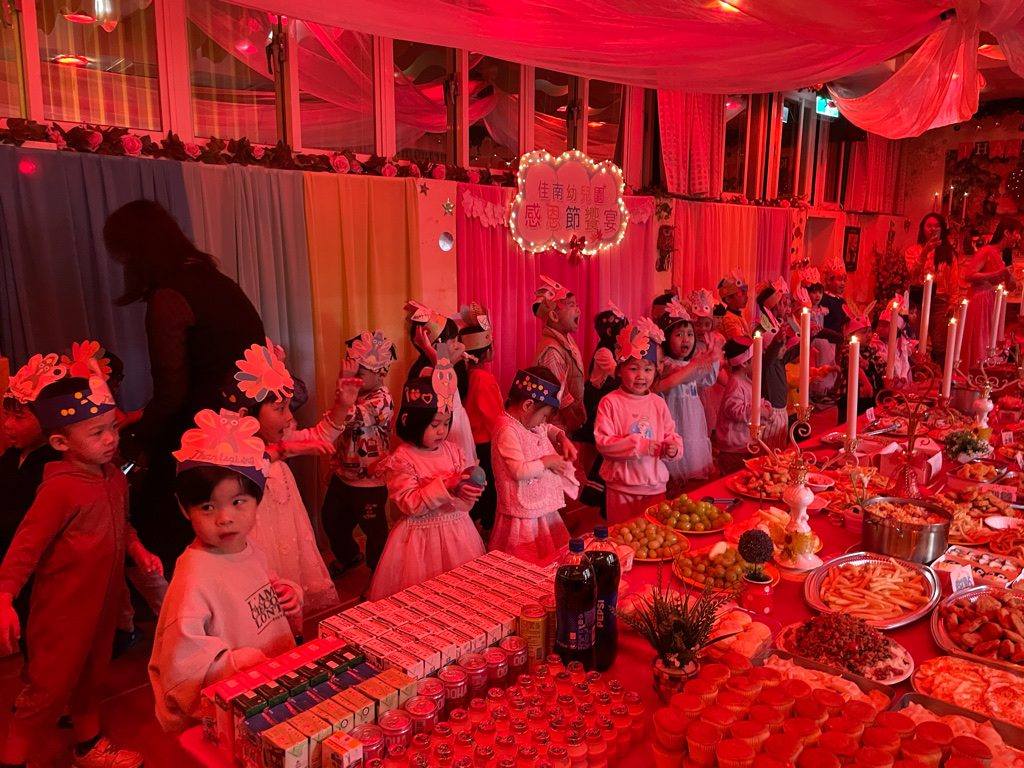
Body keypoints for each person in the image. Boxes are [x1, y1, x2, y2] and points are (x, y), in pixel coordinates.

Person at [0, 358, 161, 768]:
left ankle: (88, 747)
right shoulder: (59, 491)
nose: (111, 439)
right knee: (47, 691)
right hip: (62, 614)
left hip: (101, 609)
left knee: (90, 678)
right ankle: (12, 759)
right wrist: (5, 596)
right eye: (97, 432)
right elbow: (25, 547)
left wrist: (138, 549)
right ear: (60, 443)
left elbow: (123, 525)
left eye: (112, 428)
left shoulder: (114, 478)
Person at [105, 199, 265, 574]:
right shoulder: (217, 282)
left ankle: (182, 604)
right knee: (226, 534)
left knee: (168, 531)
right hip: (239, 426)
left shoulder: (170, 297)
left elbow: (172, 390)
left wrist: (136, 438)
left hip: (199, 432)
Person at [148, 409, 302, 732]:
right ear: (184, 508)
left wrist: (285, 591)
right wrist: (239, 663)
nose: (225, 518)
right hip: (237, 706)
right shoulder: (194, 576)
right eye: (208, 507)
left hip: (273, 686)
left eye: (238, 502)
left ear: (258, 499)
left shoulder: (249, 546)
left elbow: (260, 586)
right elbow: (182, 665)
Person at [226, 339, 345, 618]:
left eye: (288, 407)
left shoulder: (281, 437)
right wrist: (286, 450)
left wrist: (343, 404)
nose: (290, 417)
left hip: (286, 526)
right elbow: (255, 463)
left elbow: (320, 436)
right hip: (260, 538)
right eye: (280, 409)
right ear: (245, 415)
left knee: (291, 594)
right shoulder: (234, 455)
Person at [369, 376, 486, 601]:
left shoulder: (453, 451)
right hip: (420, 541)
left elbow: (462, 504)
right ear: (409, 420)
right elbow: (409, 504)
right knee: (422, 596)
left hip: (458, 533)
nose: (442, 431)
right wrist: (446, 486)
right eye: (434, 425)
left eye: (446, 423)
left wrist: (467, 492)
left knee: (459, 593)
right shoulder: (403, 459)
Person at [321, 330, 396, 581]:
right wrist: (333, 465)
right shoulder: (355, 394)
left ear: (380, 373)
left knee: (374, 532)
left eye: (358, 374)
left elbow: (348, 416)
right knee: (331, 520)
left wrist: (343, 384)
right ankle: (350, 556)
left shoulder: (382, 399)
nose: (353, 378)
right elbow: (340, 432)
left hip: (369, 481)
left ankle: (379, 576)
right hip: (343, 475)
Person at [0, 361, 61, 664]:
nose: (8, 425)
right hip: (12, 563)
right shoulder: (11, 457)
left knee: (42, 633)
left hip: (39, 569)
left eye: (19, 417)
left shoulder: (54, 465)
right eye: (6, 415)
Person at [594, 320, 682, 524]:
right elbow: (603, 443)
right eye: (633, 368)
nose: (641, 376)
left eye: (648, 370)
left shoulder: (658, 403)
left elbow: (670, 434)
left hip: (655, 487)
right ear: (619, 370)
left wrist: (673, 448)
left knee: (653, 534)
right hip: (621, 487)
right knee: (621, 533)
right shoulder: (610, 402)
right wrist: (642, 446)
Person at [489, 368, 577, 563]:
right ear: (528, 405)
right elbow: (518, 471)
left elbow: (546, 428)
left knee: (547, 553)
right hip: (522, 515)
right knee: (525, 560)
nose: (544, 421)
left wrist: (562, 437)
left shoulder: (525, 421)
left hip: (537, 509)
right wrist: (546, 462)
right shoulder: (507, 430)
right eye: (544, 415)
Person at [654, 299, 718, 489]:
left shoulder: (691, 364)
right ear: (667, 338)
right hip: (676, 419)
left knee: (692, 469)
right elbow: (682, 376)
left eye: (690, 334)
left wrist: (712, 356)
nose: (686, 339)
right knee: (675, 457)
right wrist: (698, 363)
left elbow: (709, 379)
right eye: (679, 334)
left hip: (693, 420)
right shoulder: (667, 364)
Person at [405, 301, 478, 465]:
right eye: (452, 341)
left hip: (456, 422)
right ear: (437, 346)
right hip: (447, 428)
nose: (457, 345)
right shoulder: (428, 371)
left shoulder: (443, 366)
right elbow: (443, 375)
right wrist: (430, 350)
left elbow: (461, 348)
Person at [579, 304, 628, 513]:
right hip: (596, 400)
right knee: (593, 443)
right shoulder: (604, 351)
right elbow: (617, 372)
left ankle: (598, 484)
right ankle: (591, 485)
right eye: (622, 329)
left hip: (608, 399)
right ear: (610, 332)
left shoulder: (616, 349)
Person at [459, 305, 501, 535]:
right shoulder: (484, 379)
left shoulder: (466, 376)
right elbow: (495, 419)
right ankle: (487, 530)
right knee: (489, 489)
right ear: (486, 352)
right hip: (485, 445)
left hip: (470, 443)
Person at [962, 218, 1020, 368]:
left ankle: (986, 373)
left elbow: (1010, 286)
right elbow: (969, 275)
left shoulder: (1005, 255)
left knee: (990, 340)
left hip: (993, 301)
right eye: (1018, 233)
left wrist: (1009, 276)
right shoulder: (986, 251)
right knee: (980, 340)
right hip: (979, 299)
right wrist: (997, 273)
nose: (1019, 238)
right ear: (1006, 232)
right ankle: (974, 372)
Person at [532, 276, 586, 436]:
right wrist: (572, 420)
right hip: (556, 424)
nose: (578, 310)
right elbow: (558, 392)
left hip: (565, 421)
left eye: (576, 304)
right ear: (554, 317)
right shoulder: (552, 350)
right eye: (571, 305)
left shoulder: (566, 340)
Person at [905, 213, 960, 357]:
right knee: (915, 340)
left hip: (940, 301)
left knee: (940, 343)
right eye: (929, 226)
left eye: (936, 226)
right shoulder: (912, 251)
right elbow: (913, 273)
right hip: (918, 300)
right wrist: (925, 252)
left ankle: (941, 369)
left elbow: (953, 279)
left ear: (942, 229)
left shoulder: (948, 252)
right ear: (923, 228)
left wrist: (953, 302)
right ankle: (916, 368)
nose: (933, 229)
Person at [716, 337, 771, 477]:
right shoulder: (735, 384)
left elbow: (752, 399)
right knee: (731, 476)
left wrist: (764, 405)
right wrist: (759, 411)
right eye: (755, 358)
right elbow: (735, 410)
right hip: (734, 445)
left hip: (744, 442)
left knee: (745, 475)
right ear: (745, 362)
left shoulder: (744, 380)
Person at [755, 280, 797, 450]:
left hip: (782, 410)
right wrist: (777, 341)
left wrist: (810, 337)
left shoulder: (779, 356)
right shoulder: (764, 333)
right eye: (781, 303)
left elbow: (792, 352)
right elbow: (769, 357)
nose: (785, 307)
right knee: (769, 451)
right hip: (771, 411)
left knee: (780, 448)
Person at [832, 303, 885, 424]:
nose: (869, 335)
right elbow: (854, 365)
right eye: (863, 332)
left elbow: (882, 364)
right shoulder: (847, 350)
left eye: (870, 331)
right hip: (850, 396)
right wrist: (866, 383)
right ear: (852, 335)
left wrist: (869, 364)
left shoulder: (872, 350)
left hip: (869, 397)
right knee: (847, 424)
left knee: (867, 423)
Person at [688, 288, 727, 438]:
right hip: (692, 387)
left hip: (708, 388)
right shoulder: (689, 345)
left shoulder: (714, 341)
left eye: (706, 324)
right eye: (698, 325)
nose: (702, 329)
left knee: (707, 416)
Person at [799, 268, 840, 399]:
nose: (817, 295)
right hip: (811, 340)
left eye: (820, 292)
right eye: (814, 292)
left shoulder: (823, 310)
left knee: (825, 362)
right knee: (811, 365)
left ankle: (823, 390)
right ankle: (811, 392)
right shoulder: (804, 310)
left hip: (822, 341)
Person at [717, 269, 751, 341]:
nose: (746, 297)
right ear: (728, 299)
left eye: (746, 293)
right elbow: (740, 342)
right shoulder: (728, 319)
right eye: (742, 294)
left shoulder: (737, 315)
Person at [820, 256, 848, 335]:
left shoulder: (842, 301)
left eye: (844, 280)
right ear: (829, 280)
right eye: (839, 279)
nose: (843, 283)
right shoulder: (824, 299)